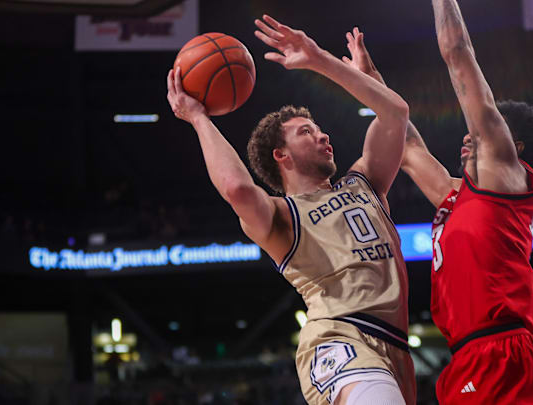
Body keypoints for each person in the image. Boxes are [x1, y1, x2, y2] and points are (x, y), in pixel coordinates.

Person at [166, 15, 415, 405]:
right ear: (281, 156)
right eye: (306, 132)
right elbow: (236, 188)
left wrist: (319, 60)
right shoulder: (282, 217)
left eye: (318, 129)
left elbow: (396, 113)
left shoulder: (364, 182)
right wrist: (198, 118)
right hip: (339, 339)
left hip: (394, 345)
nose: (322, 134)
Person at [340, 1, 533, 401]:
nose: (467, 136)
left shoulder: (504, 180)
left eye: (477, 133)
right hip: (465, 358)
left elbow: (458, 55)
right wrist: (370, 78)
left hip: (503, 351)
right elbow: (404, 144)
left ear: (512, 146)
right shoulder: (456, 195)